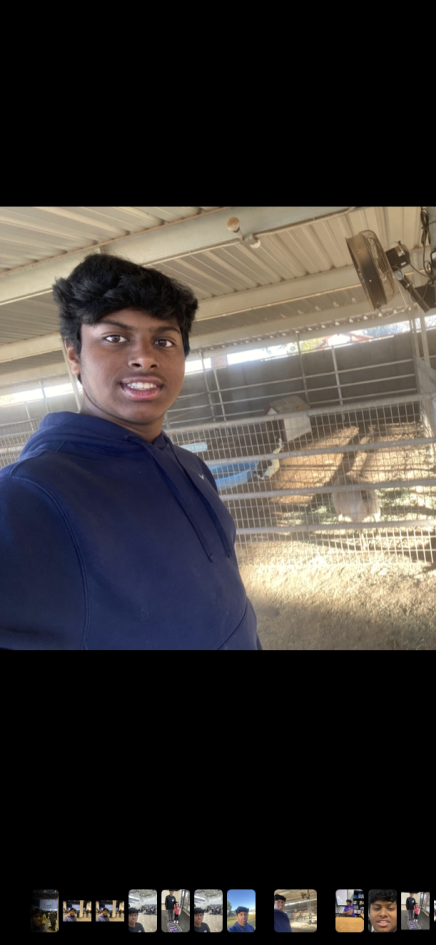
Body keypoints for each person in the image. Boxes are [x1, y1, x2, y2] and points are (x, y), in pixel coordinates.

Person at [0, 254, 262, 651]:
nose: (145, 357)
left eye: (164, 341)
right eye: (115, 338)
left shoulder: (190, 465)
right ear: (74, 355)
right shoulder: (30, 496)